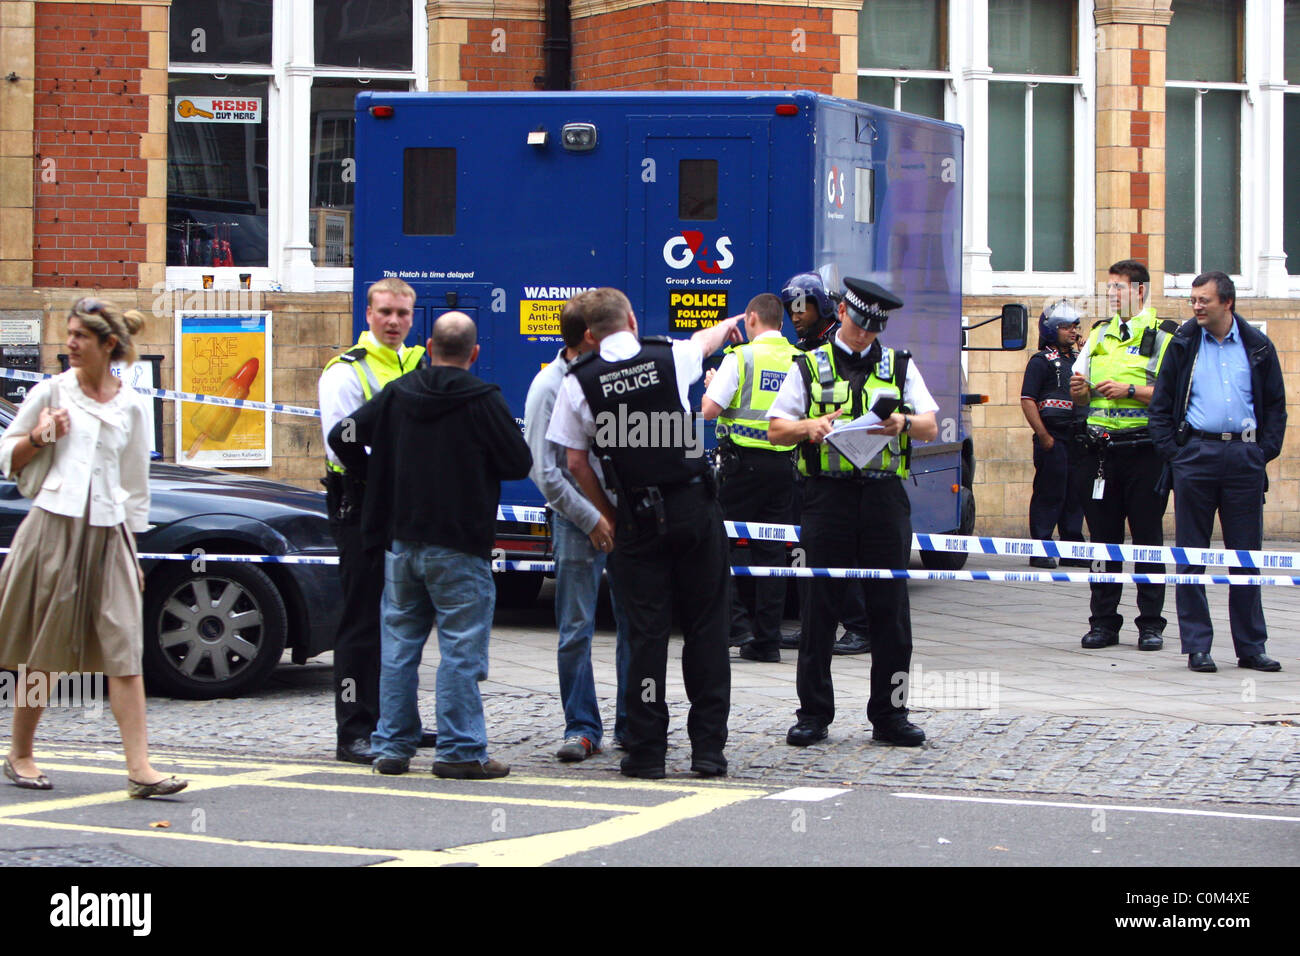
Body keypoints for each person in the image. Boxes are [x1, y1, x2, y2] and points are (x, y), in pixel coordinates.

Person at [547, 287, 742, 779]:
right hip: (693, 508)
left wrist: (605, 512)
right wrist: (732, 322)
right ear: (632, 319)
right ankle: (708, 751)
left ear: (588, 335)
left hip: (634, 520)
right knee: (706, 632)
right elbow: (708, 339)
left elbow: (573, 461)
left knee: (645, 638)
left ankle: (647, 751)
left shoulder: (578, 382)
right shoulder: (670, 356)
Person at [329, 312, 531, 779]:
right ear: (474, 354)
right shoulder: (484, 399)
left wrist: (374, 475)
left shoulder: (399, 394)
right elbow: (518, 462)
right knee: (461, 651)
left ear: (429, 348)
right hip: (460, 544)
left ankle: (392, 748)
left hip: (402, 542)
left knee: (399, 647)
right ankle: (459, 752)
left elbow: (343, 436)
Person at [0, 299, 186, 798]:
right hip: (55, 529)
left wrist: (134, 548)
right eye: (69, 334)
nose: (70, 343)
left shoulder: (129, 404)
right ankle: (19, 753)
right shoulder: (51, 391)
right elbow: (6, 457)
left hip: (111, 534)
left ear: (109, 345)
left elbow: (135, 483)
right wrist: (40, 436)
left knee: (126, 647)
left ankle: (140, 769)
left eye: (81, 335)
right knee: (45, 653)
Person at [768, 277, 938, 748]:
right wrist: (810, 427)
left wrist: (902, 421)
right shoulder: (808, 365)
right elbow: (775, 431)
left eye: (874, 327)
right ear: (842, 311)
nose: (865, 333)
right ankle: (813, 714)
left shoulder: (899, 365)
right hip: (827, 497)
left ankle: (891, 715)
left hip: (884, 498)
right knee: (819, 609)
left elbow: (930, 424)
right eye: (860, 322)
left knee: (891, 613)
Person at [1148, 272, 1286, 674]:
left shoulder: (1257, 345)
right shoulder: (1184, 342)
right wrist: (1174, 454)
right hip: (1196, 454)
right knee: (1191, 555)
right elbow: (1162, 402)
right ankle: (1197, 645)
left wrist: (1264, 452)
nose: (1196, 306)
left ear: (1227, 302)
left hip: (1244, 455)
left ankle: (1251, 646)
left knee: (1245, 556)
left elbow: (1275, 405)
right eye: (1193, 299)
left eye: (1204, 300)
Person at [318, 277, 430, 765]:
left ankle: (395, 721)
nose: (393, 322)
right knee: (361, 624)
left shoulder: (415, 363)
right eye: (385, 312)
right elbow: (340, 445)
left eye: (403, 314)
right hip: (360, 506)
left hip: (407, 507)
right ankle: (353, 730)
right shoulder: (346, 373)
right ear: (368, 315)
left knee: (402, 620)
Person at [523, 299, 631, 760]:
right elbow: (545, 472)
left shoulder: (616, 373)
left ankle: (633, 722)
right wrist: (592, 518)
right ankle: (582, 727)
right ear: (590, 335)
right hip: (576, 521)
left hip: (627, 517)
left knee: (636, 625)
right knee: (575, 627)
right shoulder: (549, 386)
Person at [1069, 259, 1177, 653]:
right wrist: (1081, 388)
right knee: (1102, 542)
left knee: (1147, 540)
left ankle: (1151, 624)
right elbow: (1078, 393)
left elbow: (1174, 393)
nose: (1112, 295)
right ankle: (1103, 623)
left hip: (1145, 450)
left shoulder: (1166, 335)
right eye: (1109, 288)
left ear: (1141, 291)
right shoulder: (1099, 334)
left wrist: (1129, 391)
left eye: (1119, 288)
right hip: (1100, 451)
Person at [701, 292, 797, 663]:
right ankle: (767, 641)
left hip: (740, 468)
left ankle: (737, 625)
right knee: (771, 553)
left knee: (715, 545)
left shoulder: (740, 358)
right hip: (784, 468)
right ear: (781, 322)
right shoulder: (800, 360)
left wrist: (712, 385)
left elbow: (709, 411)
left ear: (752, 317)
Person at [779, 272, 871, 656]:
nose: (797, 315)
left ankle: (860, 626)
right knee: (808, 551)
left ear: (824, 306)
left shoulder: (838, 346)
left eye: (804, 306)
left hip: (846, 466)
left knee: (840, 553)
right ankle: (815, 623)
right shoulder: (804, 347)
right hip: (808, 465)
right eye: (792, 308)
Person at [1019, 300, 1086, 569]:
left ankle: (1073, 549)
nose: (1072, 331)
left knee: (1075, 494)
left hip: (1077, 437)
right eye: (1065, 327)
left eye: (1075, 327)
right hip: (1052, 437)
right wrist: (1043, 435)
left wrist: (1087, 354)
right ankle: (1041, 549)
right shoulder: (1040, 361)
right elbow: (1027, 400)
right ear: (1050, 329)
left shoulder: (1079, 359)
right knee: (1049, 493)